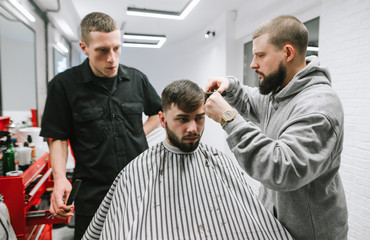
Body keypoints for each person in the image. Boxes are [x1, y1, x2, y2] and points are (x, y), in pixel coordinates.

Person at [82, 79, 293, 240]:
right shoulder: (136, 171)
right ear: (163, 120)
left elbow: (253, 222)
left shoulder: (220, 162)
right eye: (182, 119)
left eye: (199, 118)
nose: (193, 128)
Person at [204, 15, 348, 240]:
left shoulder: (318, 107)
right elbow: (253, 99)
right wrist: (230, 86)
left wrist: (228, 118)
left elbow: (282, 168)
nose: (253, 64)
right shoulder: (281, 93)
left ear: (288, 53)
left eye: (260, 55)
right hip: (276, 229)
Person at [40, 12, 162, 239]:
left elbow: (158, 113)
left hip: (139, 187)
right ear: (84, 48)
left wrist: (138, 133)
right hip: (93, 193)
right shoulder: (64, 85)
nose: (112, 58)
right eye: (102, 51)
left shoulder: (137, 80)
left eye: (117, 48)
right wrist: (59, 180)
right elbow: (57, 136)